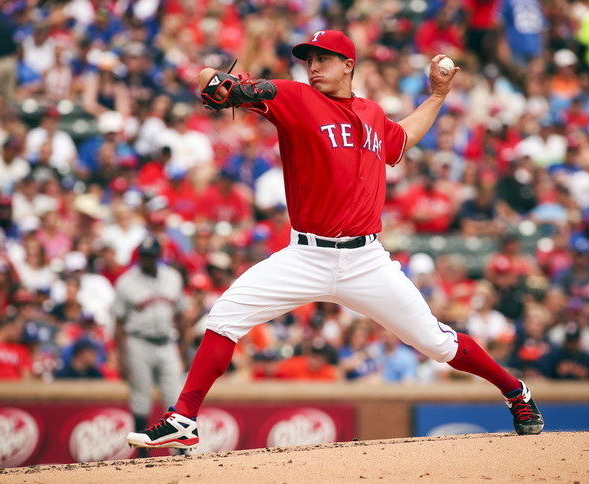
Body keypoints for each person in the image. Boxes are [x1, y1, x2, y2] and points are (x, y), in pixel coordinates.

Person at [127, 30, 543, 451]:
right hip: (305, 256)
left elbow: (401, 139)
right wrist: (218, 84)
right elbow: (213, 80)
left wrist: (437, 96)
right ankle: (183, 418)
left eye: (323, 59)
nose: (313, 67)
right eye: (309, 60)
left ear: (348, 65)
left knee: (436, 342)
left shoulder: (373, 114)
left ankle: (516, 391)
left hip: (367, 261)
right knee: (223, 317)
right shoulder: (295, 98)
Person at [114, 235, 188, 454]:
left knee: (175, 398)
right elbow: (119, 323)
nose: (147, 259)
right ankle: (142, 453)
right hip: (139, 342)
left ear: (158, 256)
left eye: (151, 255)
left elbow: (181, 314)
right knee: (140, 399)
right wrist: (121, 357)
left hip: (167, 342)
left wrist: (183, 347)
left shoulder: (172, 277)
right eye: (144, 256)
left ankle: (180, 452)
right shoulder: (126, 281)